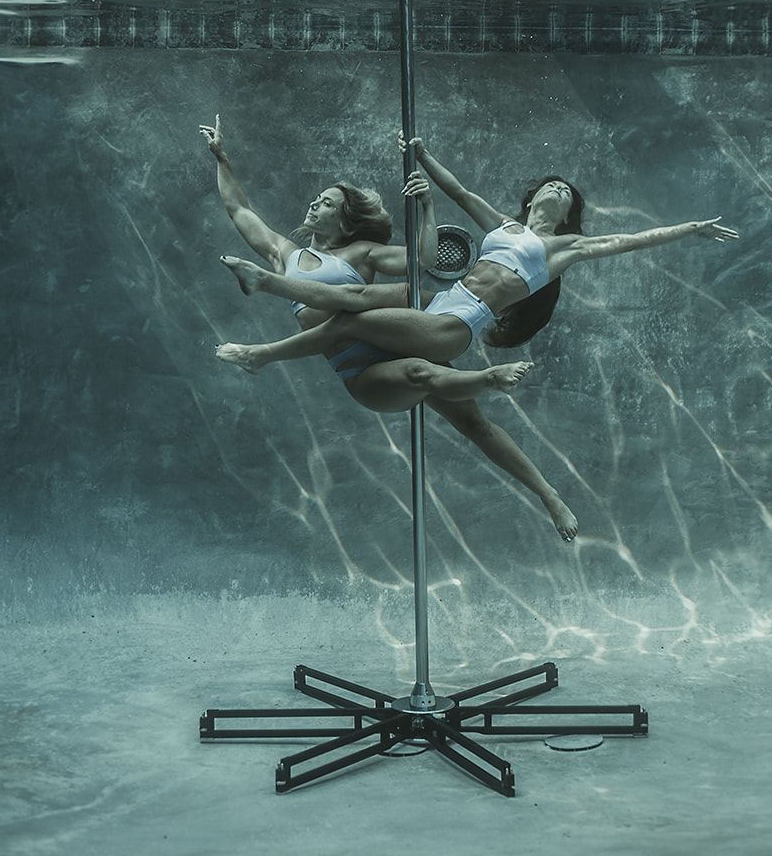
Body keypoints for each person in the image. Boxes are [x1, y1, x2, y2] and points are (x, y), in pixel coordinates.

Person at [200, 116, 581, 541]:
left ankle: (549, 495)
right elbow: (239, 209)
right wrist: (222, 158)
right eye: (317, 199)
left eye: (326, 203)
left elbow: (423, 260)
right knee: (416, 368)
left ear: (345, 221)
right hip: (366, 373)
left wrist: (427, 207)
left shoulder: (364, 254)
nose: (314, 204)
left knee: (474, 421)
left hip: (404, 334)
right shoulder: (282, 253)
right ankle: (486, 376)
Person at [215, 135, 739, 374]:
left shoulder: (563, 249)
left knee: (352, 320)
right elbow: (462, 193)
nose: (557, 188)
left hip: (460, 322)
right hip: (440, 305)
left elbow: (627, 241)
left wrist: (690, 228)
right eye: (551, 184)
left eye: (566, 192)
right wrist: (422, 154)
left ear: (567, 213)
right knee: (355, 319)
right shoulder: (505, 226)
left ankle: (262, 349)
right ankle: (267, 344)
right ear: (532, 199)